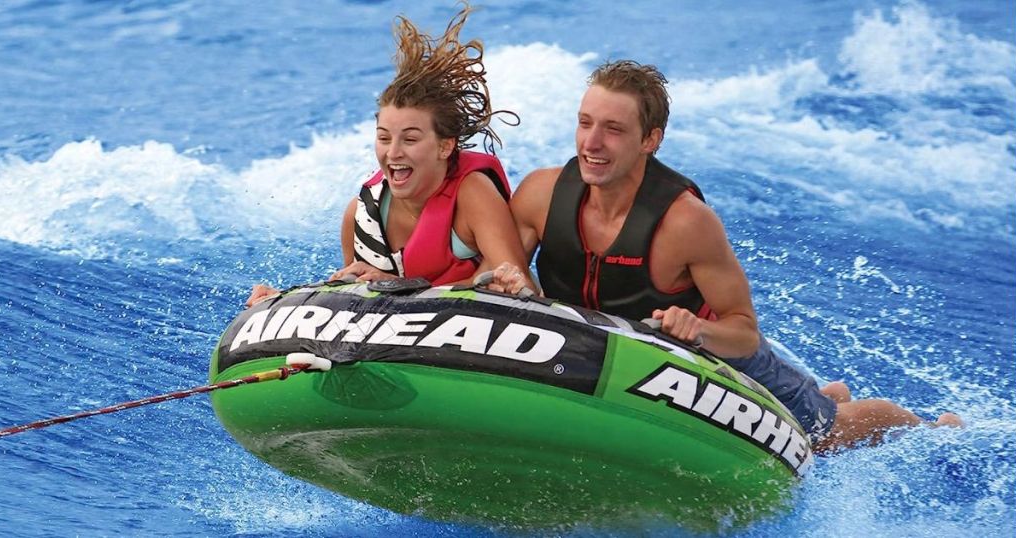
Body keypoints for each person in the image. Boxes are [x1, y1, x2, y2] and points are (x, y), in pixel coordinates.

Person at [489, 60, 961, 452]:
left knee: (825, 434)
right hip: (593, 352)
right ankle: (822, 391)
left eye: (613, 130)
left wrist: (699, 329)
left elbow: (742, 331)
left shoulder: (685, 223)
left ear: (649, 140)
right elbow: (506, 281)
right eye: (585, 123)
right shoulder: (540, 194)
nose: (591, 143)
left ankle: (927, 427)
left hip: (705, 359)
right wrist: (513, 284)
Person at [247, 3, 534, 306]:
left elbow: (519, 286)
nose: (393, 152)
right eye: (384, 138)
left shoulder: (473, 195)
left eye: (410, 139)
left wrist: (405, 289)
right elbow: (350, 307)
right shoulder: (360, 217)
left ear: (445, 146)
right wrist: (283, 302)